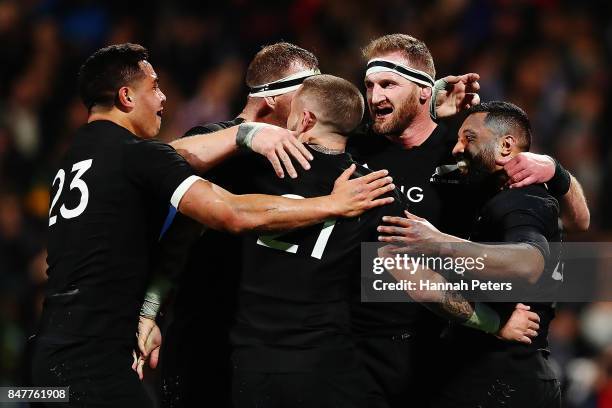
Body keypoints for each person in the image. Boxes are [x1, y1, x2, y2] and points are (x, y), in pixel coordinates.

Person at [28, 43, 395, 407]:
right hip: (150, 355)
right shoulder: (143, 153)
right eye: (154, 87)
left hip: (58, 351)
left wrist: (430, 107)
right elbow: (220, 214)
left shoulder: (82, 153)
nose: (163, 97)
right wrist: (329, 202)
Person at [345, 33, 589, 407]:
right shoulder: (353, 150)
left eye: (388, 84)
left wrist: (558, 173)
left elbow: (575, 222)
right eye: (370, 85)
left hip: (442, 356)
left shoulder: (467, 156)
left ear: (423, 91)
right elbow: (314, 112)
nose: (375, 96)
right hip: (358, 355)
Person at [378, 101, 563, 407]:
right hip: (510, 373)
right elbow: (580, 220)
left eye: (469, 138)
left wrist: (439, 243)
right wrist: (560, 174)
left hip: (498, 379)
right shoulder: (494, 195)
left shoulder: (520, 202)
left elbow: (529, 262)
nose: (456, 149)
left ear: (505, 147)